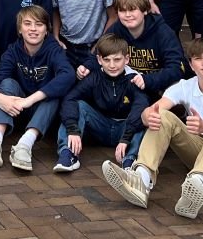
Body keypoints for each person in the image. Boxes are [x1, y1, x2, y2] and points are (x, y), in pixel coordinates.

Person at [101, 38, 203, 220]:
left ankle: (198, 183)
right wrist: (147, 116)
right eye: (197, 58)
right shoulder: (185, 86)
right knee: (161, 115)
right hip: (198, 154)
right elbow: (153, 109)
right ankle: (142, 179)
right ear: (191, 64)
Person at [0, 5, 75, 172]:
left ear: (46, 30)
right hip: (16, 109)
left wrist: (30, 100)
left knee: (54, 94)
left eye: (39, 24)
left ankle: (24, 146)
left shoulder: (53, 50)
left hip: (42, 111)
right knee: (7, 83)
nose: (33, 29)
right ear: (20, 29)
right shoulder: (14, 50)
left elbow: (68, 75)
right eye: (27, 24)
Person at [55, 33, 149, 172]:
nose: (112, 65)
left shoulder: (134, 79)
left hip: (124, 130)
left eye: (117, 60)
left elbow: (140, 107)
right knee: (78, 106)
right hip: (101, 125)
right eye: (107, 60)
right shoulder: (94, 77)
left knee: (144, 116)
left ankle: (130, 161)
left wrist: (125, 139)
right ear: (99, 60)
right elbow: (70, 98)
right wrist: (72, 130)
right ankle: (68, 153)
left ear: (126, 59)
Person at [95, 0, 185, 98]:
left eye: (132, 9)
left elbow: (176, 68)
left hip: (159, 88)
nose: (128, 15)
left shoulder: (163, 32)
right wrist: (86, 67)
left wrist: (149, 80)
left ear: (145, 10)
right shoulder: (116, 29)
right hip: (128, 87)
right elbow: (98, 53)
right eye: (122, 11)